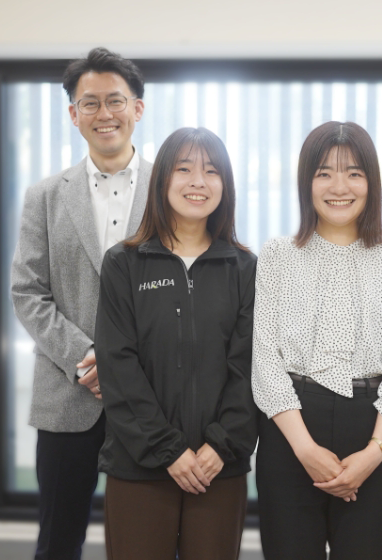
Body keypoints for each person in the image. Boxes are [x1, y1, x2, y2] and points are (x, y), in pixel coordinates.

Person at [251, 121, 382, 560]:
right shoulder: (277, 255)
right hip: (290, 429)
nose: (339, 187)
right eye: (324, 172)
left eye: (354, 173)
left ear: (372, 182)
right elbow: (265, 359)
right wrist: (304, 449)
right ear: (306, 182)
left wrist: (374, 452)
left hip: (372, 427)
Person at [10, 47, 149, 559]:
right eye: (90, 103)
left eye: (115, 100)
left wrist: (123, 364)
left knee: (150, 541)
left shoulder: (170, 190)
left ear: (137, 108)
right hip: (69, 395)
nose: (104, 113)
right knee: (58, 540)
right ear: (73, 114)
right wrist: (87, 357)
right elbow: (27, 291)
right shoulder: (44, 196)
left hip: (152, 396)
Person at [94, 127, 256, 560]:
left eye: (211, 171)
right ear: (162, 179)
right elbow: (118, 366)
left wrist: (221, 445)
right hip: (140, 465)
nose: (198, 181)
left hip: (218, 467)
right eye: (184, 169)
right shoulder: (124, 264)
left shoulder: (245, 268)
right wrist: (168, 450)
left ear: (225, 185)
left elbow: (250, 367)